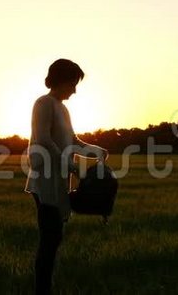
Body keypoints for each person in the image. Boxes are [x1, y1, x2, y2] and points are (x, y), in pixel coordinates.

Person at [24, 59, 108, 295]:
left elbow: (73, 142)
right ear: (61, 80)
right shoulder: (44, 103)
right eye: (73, 83)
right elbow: (42, 139)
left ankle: (44, 288)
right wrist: (70, 165)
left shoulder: (63, 108)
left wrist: (96, 151)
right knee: (50, 240)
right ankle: (42, 290)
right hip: (44, 180)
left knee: (54, 238)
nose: (75, 89)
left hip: (59, 179)